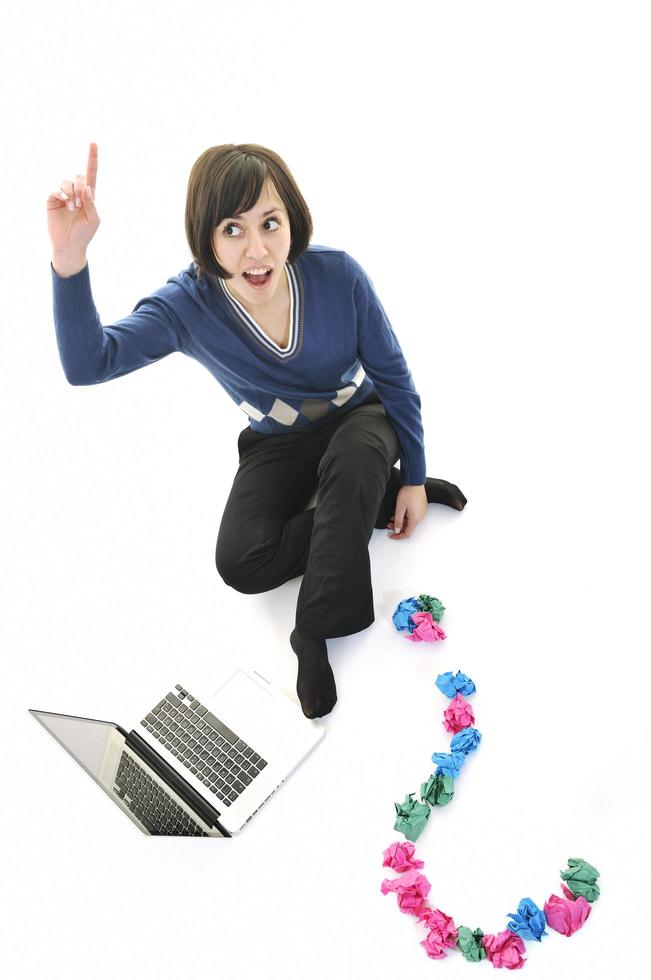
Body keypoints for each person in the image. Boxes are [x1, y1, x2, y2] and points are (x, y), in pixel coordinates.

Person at [47, 142, 466, 720]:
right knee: (242, 562)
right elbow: (88, 364)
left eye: (270, 222)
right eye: (232, 229)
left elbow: (394, 379)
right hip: (279, 442)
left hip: (361, 419)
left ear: (292, 219)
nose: (257, 248)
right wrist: (70, 261)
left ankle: (313, 630)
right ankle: (368, 502)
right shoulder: (185, 307)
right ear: (206, 239)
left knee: (356, 459)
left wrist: (415, 476)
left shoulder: (338, 275)